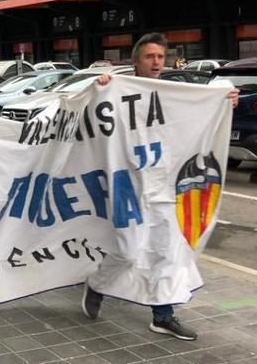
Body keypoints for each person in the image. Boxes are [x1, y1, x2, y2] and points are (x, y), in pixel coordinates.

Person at [89, 33, 239, 341]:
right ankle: (98, 283)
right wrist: (98, 87)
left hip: (166, 186)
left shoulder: (173, 93)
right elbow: (88, 113)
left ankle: (163, 315)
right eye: (149, 57)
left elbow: (203, 106)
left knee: (167, 251)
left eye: (160, 57)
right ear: (136, 61)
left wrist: (225, 102)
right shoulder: (116, 89)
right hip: (128, 185)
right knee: (128, 250)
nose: (156, 62)